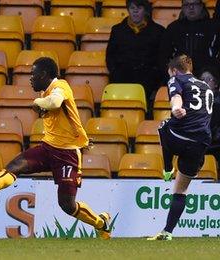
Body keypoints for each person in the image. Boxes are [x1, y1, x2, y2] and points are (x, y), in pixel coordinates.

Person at [0, 57, 112, 240]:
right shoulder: (46, 92)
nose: (31, 79)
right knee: (16, 165)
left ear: (44, 74)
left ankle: (101, 223)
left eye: (33, 74)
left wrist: (37, 102)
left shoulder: (61, 86)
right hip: (48, 148)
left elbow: (55, 102)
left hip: (68, 154)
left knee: (67, 205)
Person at [148, 55, 213, 240]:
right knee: (181, 190)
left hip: (181, 137)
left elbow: (176, 97)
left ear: (174, 70)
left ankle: (167, 168)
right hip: (200, 143)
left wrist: (176, 108)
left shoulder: (176, 79)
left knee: (163, 126)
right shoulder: (206, 86)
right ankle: (167, 232)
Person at [106, 0, 165, 103]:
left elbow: (161, 58)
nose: (135, 11)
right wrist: (116, 72)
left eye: (139, 8)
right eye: (132, 8)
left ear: (145, 10)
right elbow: (110, 56)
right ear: (128, 10)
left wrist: (155, 77)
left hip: (148, 80)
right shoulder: (117, 30)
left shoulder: (158, 31)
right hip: (122, 78)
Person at [158, 0, 220, 79]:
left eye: (195, 4)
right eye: (187, 4)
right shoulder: (173, 28)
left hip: (208, 77)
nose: (191, 7)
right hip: (180, 76)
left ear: (201, 6)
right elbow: (164, 56)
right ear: (182, 8)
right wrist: (171, 73)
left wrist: (213, 73)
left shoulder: (214, 27)